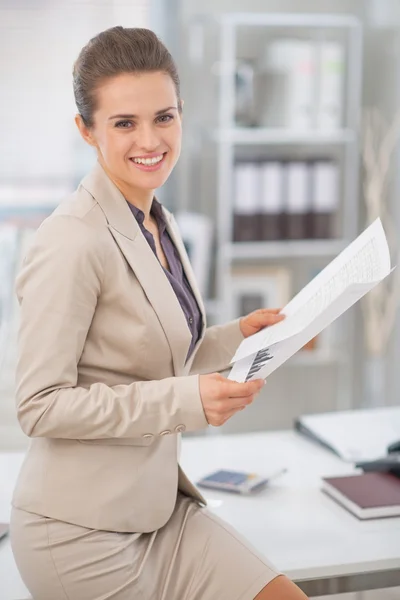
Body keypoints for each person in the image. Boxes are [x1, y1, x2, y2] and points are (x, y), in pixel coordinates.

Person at [10, 26, 308, 600]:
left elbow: (157, 352)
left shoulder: (156, 220)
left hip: (158, 511)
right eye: (124, 123)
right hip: (80, 533)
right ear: (87, 130)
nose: (150, 139)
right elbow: (39, 406)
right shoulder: (70, 239)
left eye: (164, 117)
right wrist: (189, 401)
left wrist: (236, 336)